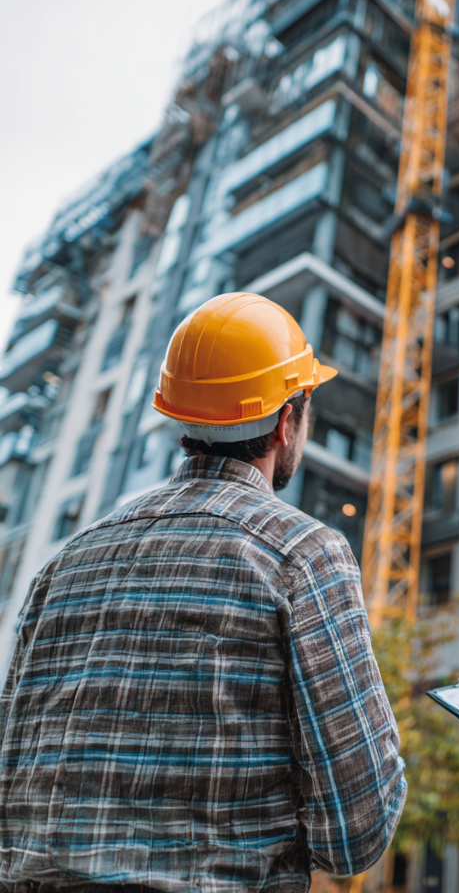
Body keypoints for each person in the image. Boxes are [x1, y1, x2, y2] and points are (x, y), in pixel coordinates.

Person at [0, 292, 405, 892]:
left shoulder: (63, 564)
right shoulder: (301, 554)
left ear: (180, 414)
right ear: (285, 420)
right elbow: (356, 833)